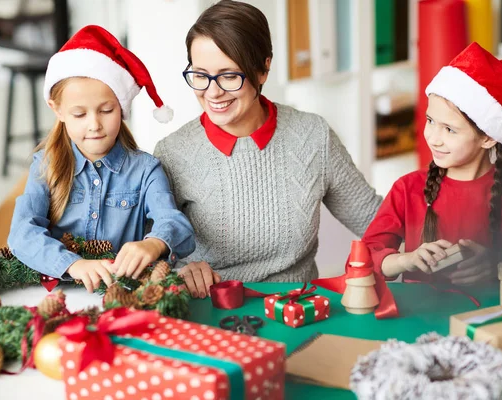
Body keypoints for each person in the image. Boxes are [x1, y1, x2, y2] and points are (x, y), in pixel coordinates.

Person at [153, 0, 382, 298]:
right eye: (200, 75)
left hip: (298, 309)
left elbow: (376, 221)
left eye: (229, 75)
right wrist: (175, 271)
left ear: (263, 69)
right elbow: (148, 257)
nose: (212, 91)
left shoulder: (312, 136)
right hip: (210, 314)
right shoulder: (172, 153)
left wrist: (448, 245)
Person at [8, 25, 195, 293]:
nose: (95, 124)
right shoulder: (45, 165)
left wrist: (154, 243)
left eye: (106, 110)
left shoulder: (145, 169)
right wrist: (73, 264)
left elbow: (174, 222)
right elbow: (22, 233)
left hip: (124, 296)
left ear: (122, 107)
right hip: (59, 295)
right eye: (79, 114)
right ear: (57, 110)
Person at [363, 42, 502, 285]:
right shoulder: (406, 188)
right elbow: (361, 261)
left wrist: (496, 266)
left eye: (449, 129)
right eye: (430, 120)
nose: (433, 137)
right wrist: (405, 260)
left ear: (487, 137)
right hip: (420, 319)